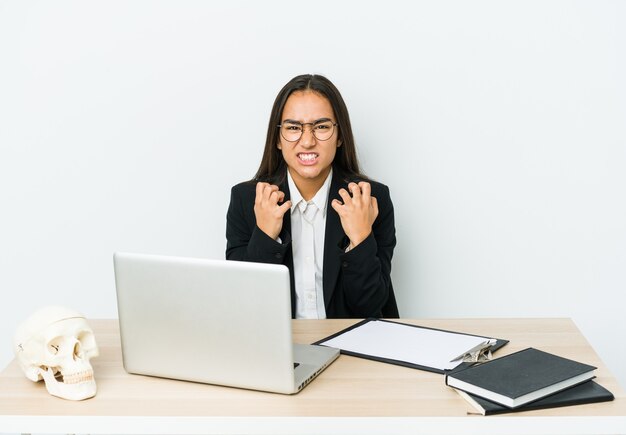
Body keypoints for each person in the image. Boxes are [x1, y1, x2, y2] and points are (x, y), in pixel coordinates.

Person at [226, 74, 398, 319]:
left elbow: (369, 307)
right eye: (294, 128)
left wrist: (360, 238)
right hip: (277, 348)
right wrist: (264, 236)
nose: (307, 141)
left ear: (339, 136)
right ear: (277, 138)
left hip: (350, 346)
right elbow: (245, 308)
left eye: (321, 127)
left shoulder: (369, 199)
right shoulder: (246, 199)